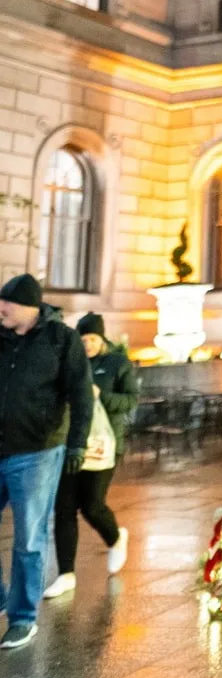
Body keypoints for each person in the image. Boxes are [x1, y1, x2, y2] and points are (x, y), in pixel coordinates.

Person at [0, 274, 93, 649]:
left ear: (30, 307)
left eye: (7, 303)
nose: (0, 309)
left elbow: (81, 395)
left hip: (37, 452)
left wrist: (77, 445)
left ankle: (23, 618)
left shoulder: (61, 340)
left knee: (29, 538)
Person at [44, 313, 136, 598]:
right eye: (83, 340)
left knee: (92, 505)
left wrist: (100, 396)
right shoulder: (70, 362)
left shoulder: (117, 364)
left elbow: (130, 400)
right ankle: (66, 573)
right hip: (71, 442)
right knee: (64, 508)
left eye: (93, 339)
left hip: (105, 445)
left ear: (102, 338)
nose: (87, 345)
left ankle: (115, 537)